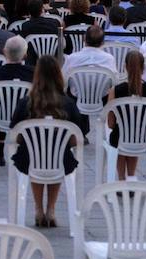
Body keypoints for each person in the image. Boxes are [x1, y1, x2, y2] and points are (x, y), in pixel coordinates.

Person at [10, 55, 88, 228]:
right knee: (55, 156)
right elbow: (77, 138)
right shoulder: (68, 104)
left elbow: (15, 133)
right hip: (60, 158)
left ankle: (38, 208)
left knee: (35, 156)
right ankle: (51, 208)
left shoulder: (26, 103)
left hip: (30, 158)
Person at [104, 48, 146, 178]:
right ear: (143, 67)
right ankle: (131, 175)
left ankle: (122, 178)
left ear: (125, 67)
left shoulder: (115, 91)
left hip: (120, 138)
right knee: (134, 132)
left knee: (122, 133)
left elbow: (111, 124)